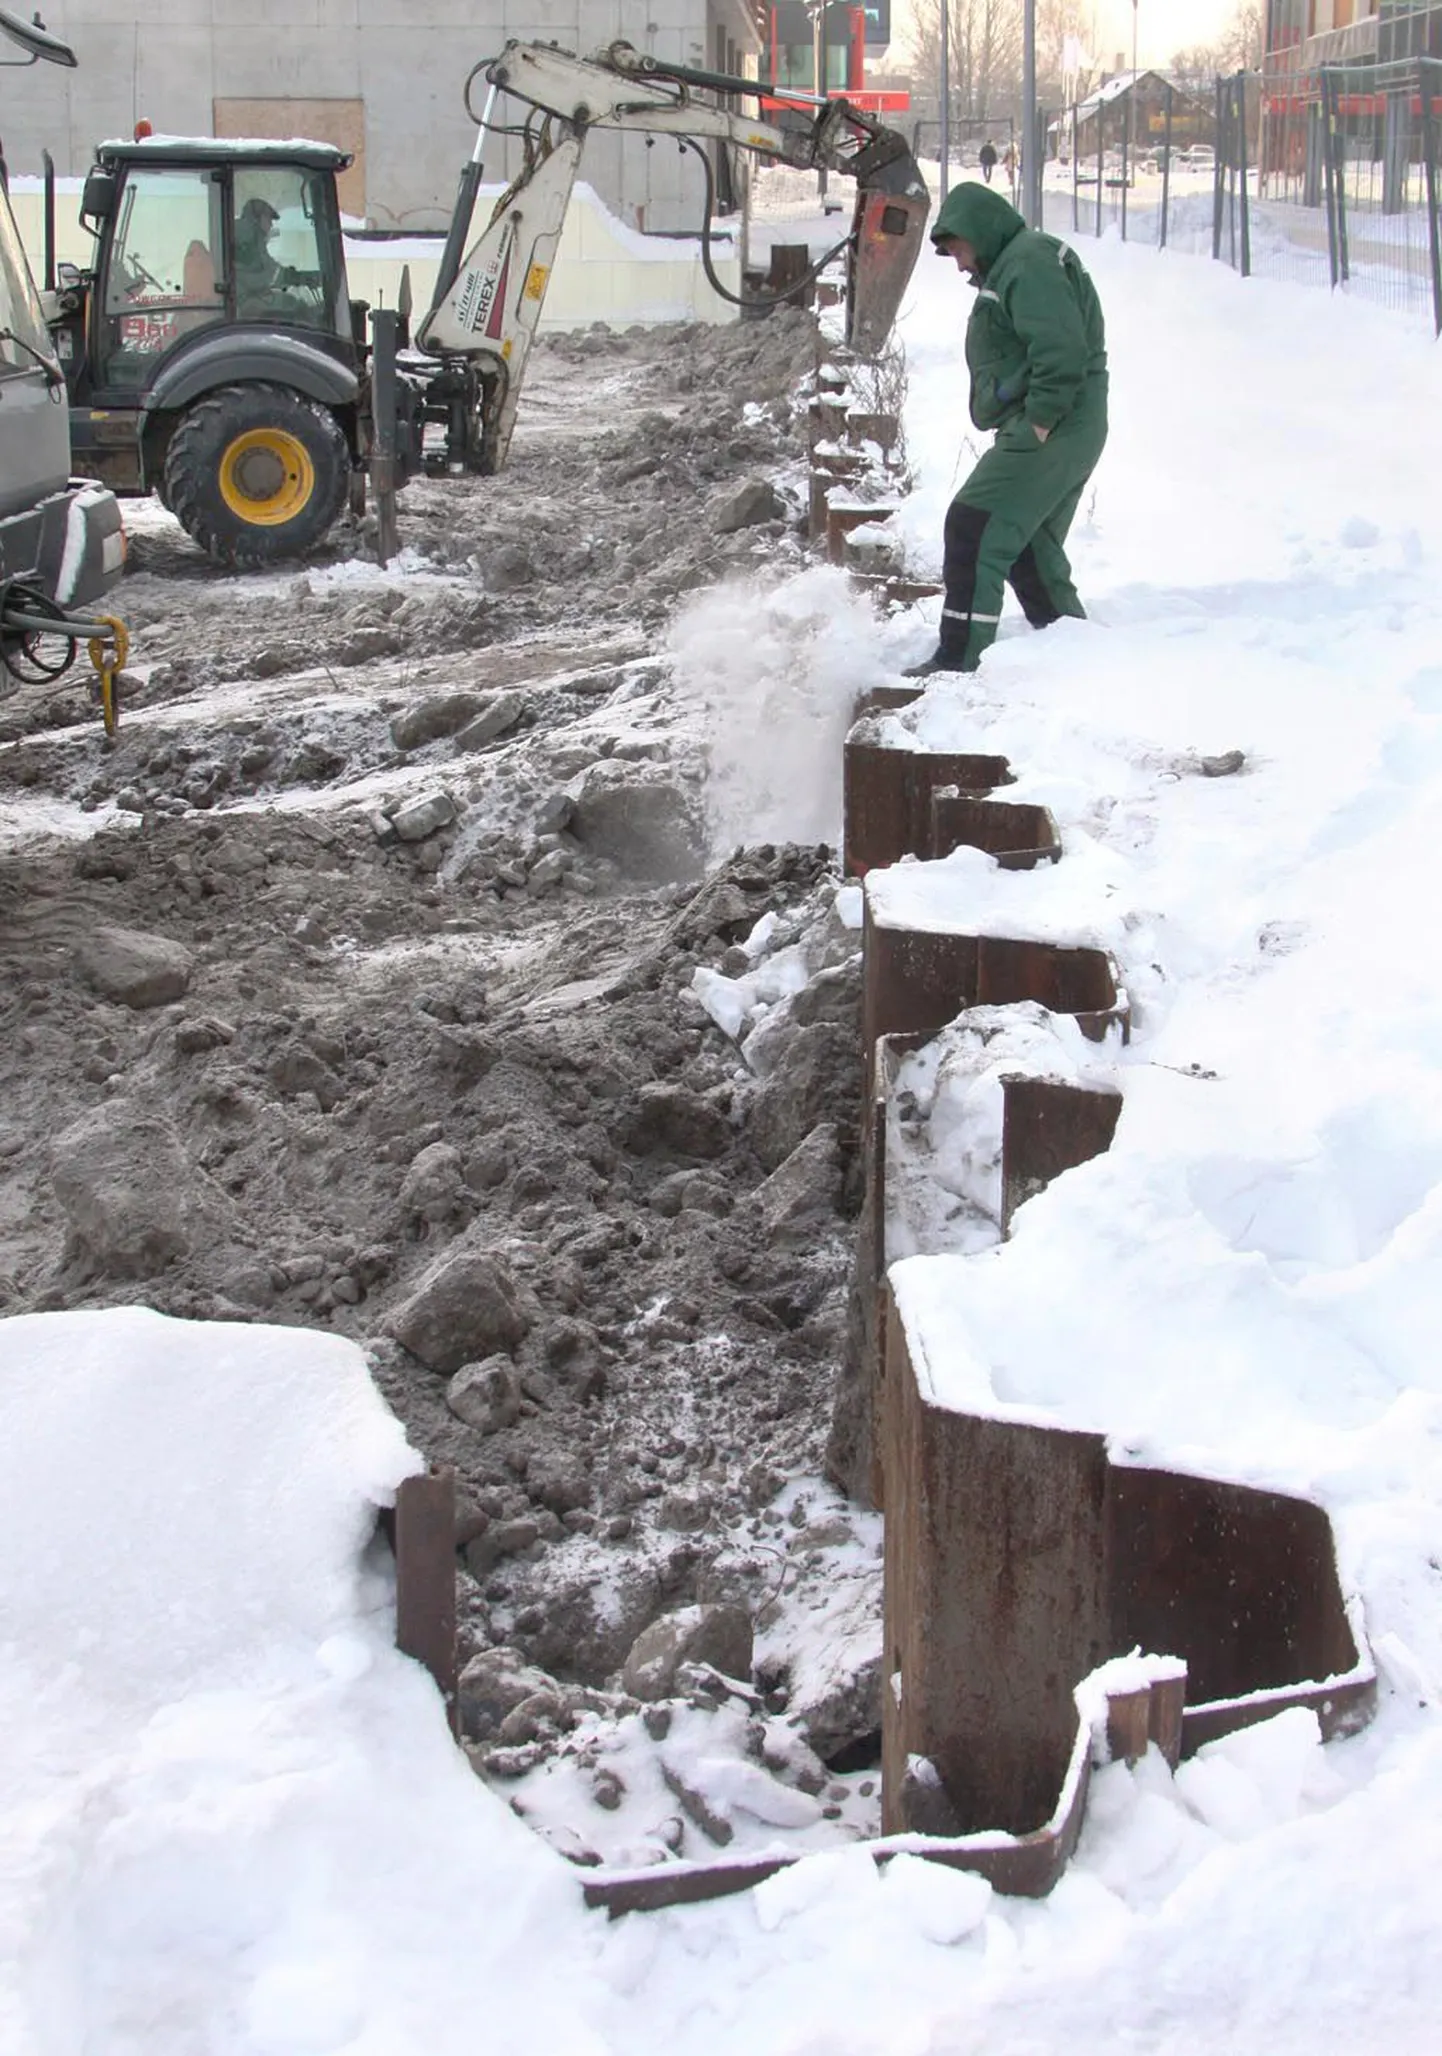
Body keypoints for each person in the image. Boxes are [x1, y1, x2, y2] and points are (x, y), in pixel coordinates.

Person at [905, 183, 1107, 678]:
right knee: (1026, 544)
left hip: (1055, 422)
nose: (957, 264)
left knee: (974, 524)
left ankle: (958, 660)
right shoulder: (1017, 262)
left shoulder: (1027, 262)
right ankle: (1066, 643)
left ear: (978, 229)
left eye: (957, 249)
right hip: (1064, 422)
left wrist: (1040, 418)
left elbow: (1060, 347)